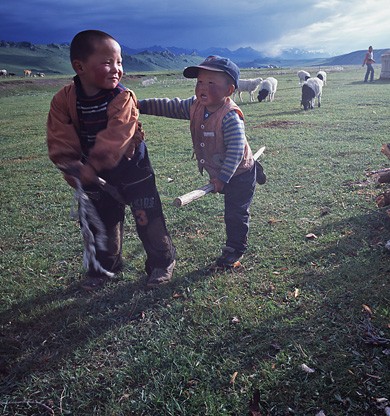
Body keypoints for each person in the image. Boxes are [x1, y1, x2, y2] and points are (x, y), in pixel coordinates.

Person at [47, 30, 176, 291]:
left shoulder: (122, 97)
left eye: (119, 62)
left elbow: (117, 135)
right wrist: (72, 166)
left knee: (147, 217)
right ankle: (104, 268)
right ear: (79, 66)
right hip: (93, 175)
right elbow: (59, 136)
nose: (116, 69)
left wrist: (91, 166)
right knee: (100, 224)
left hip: (132, 169)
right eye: (108, 62)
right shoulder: (64, 99)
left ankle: (162, 262)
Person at [138, 56, 265, 268]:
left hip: (238, 175)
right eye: (200, 82)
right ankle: (254, 167)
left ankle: (235, 248)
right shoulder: (196, 105)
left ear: (229, 90)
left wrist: (222, 179)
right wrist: (140, 105)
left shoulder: (230, 117)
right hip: (221, 171)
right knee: (233, 205)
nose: (203, 88)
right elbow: (171, 107)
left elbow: (234, 151)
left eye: (211, 83)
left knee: (235, 212)